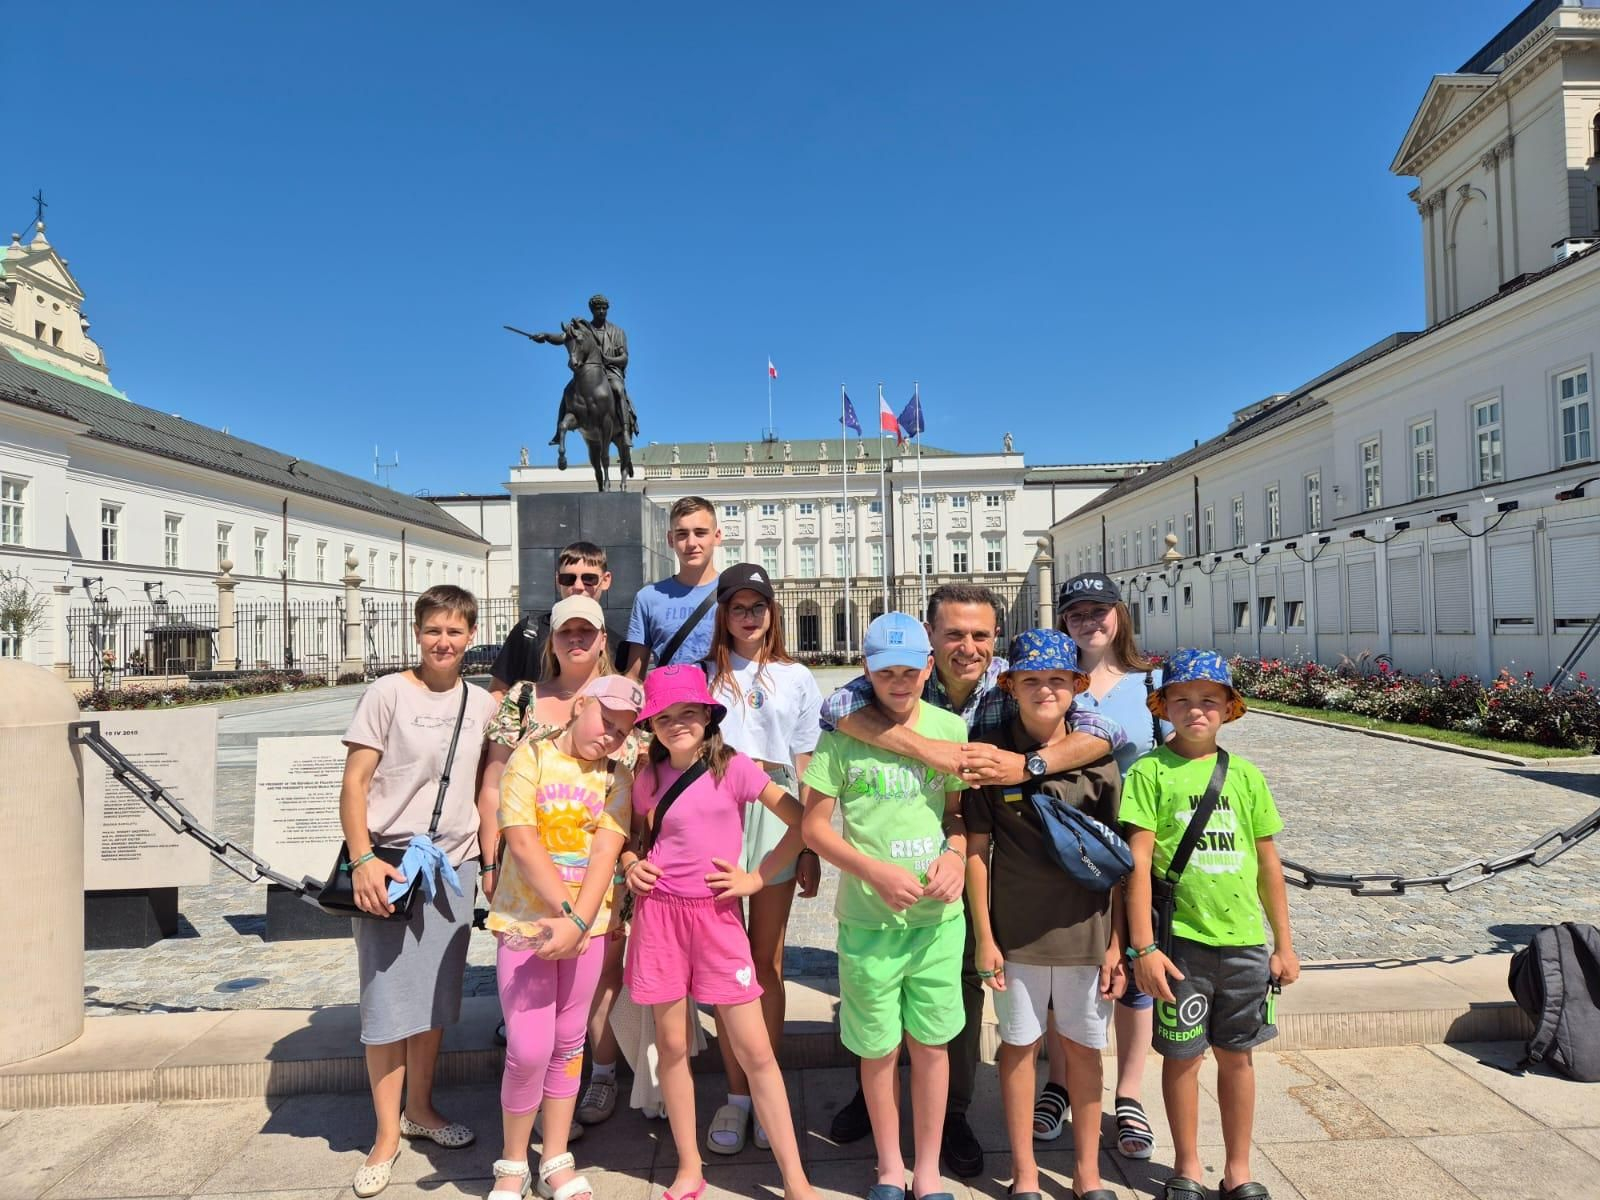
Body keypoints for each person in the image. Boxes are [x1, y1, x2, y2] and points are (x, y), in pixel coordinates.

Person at [818, 583, 1124, 1177]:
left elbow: (1105, 732)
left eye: (981, 635)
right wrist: (929, 749)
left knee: (958, 992)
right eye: (954, 633)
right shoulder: (899, 674)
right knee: (878, 1004)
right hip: (894, 875)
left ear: (995, 640)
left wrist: (1027, 763)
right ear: (931, 638)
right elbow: (832, 712)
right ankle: (872, 1098)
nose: (968, 647)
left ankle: (953, 1113)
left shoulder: (1014, 681)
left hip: (982, 861)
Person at [621, 666, 819, 1200]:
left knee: (756, 1050)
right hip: (659, 917)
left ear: (709, 717)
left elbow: (803, 818)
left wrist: (758, 876)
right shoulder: (646, 777)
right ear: (653, 725)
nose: (678, 724)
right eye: (666, 717)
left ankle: (796, 1180)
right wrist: (629, 862)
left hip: (716, 919)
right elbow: (636, 838)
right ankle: (689, 1166)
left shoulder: (734, 768)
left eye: (689, 713)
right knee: (672, 1044)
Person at [339, 586, 499, 1199]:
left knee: (433, 1000)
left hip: (451, 867)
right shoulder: (387, 693)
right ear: (417, 632)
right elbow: (354, 784)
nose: (444, 641)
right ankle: (384, 1134)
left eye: (456, 631)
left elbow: (497, 779)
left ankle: (421, 1109)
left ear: (471, 635)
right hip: (390, 861)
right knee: (384, 1004)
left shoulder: (481, 703)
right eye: (434, 629)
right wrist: (362, 860)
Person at [802, 612, 969, 1200]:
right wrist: (870, 868)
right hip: (870, 923)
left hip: (937, 924)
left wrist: (954, 854)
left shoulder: (949, 727)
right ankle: (889, 1166)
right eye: (884, 673)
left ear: (929, 666)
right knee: (877, 1047)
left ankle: (927, 1169)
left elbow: (960, 812)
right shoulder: (843, 736)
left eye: (909, 670)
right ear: (866, 673)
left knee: (931, 1045)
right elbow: (814, 827)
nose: (899, 682)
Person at [1122, 650, 1300, 1200]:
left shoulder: (1246, 777)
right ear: (1164, 707)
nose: (1195, 711)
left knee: (1237, 1057)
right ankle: (1189, 1165)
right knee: (1181, 1058)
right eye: (1182, 700)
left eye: (1208, 701)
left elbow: (1269, 864)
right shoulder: (1149, 772)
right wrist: (1142, 949)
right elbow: (1137, 867)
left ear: (1227, 708)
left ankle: (1239, 1169)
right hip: (1180, 947)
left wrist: (1284, 945)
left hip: (1244, 944)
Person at [965, 630, 1124, 1200]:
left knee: (1083, 1051)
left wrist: (1116, 944)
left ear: (1077, 686)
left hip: (1085, 933)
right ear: (1010, 686)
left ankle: (1086, 1171)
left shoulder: (1097, 758)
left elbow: (1117, 860)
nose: (1044, 690)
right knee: (1018, 1047)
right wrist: (985, 936)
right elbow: (977, 854)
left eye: (1058, 680)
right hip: (1017, 933)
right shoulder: (989, 754)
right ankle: (1026, 1174)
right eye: (1030, 680)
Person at [479, 594, 640, 1132]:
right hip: (531, 892)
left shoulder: (618, 744)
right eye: (566, 631)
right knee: (531, 1033)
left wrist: (584, 915)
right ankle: (528, 1137)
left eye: (588, 633)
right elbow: (497, 788)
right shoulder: (526, 706)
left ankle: (573, 1109)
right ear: (551, 638)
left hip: (593, 897)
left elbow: (618, 829)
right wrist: (488, 854)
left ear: (602, 641)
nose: (577, 640)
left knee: (581, 1012)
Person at [1034, 572, 1171, 1157]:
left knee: (1138, 968)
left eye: (1099, 611)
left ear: (1120, 614)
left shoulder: (1153, 685)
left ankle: (1131, 1094)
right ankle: (1062, 1083)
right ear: (1062, 622)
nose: (1089, 623)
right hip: (1071, 850)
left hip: (1139, 851)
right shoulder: (1060, 682)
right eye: (1076, 615)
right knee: (1071, 972)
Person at [702, 563, 823, 1155]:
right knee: (729, 965)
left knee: (766, 958)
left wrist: (811, 846)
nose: (749, 617)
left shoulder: (797, 677)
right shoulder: (705, 674)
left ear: (773, 612)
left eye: (758, 606)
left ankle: (764, 1083)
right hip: (718, 806)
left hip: (778, 809)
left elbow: (806, 767)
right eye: (737, 607)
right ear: (723, 614)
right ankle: (737, 1096)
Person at [490, 542, 624, 700]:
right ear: (557, 580)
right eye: (568, 578)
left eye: (589, 578)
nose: (578, 586)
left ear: (606, 580)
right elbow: (497, 692)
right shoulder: (529, 632)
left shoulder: (619, 646)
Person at [624, 496, 721, 678]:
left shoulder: (733, 592)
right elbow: (634, 676)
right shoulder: (648, 598)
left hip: (724, 704)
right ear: (670, 539)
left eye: (700, 533)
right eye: (682, 534)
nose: (691, 543)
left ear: (717, 537)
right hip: (671, 704)